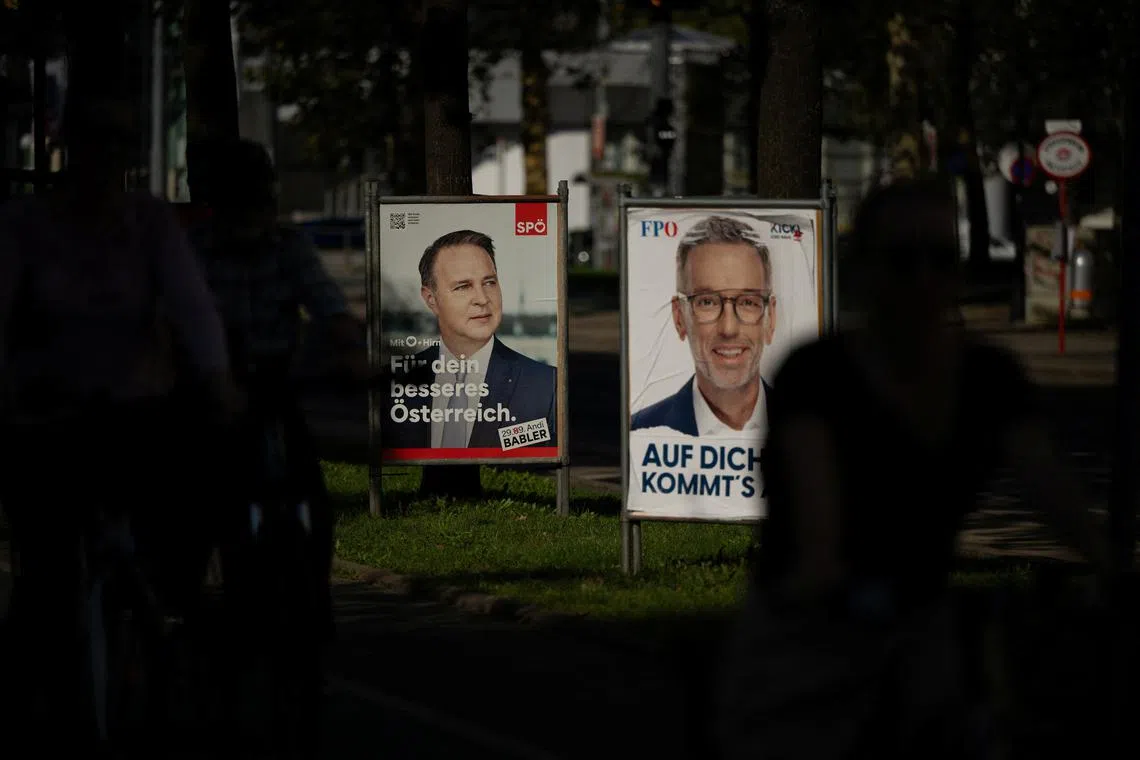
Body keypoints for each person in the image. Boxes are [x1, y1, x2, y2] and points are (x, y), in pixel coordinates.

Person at [716, 178, 1117, 760]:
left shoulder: (989, 377)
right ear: (866, 270)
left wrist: (1103, 563)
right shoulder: (820, 374)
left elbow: (1052, 491)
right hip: (808, 634)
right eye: (903, 261)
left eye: (941, 259)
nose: (925, 279)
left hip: (922, 625)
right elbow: (817, 529)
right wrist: (843, 589)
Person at [0, 87, 237, 746]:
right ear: (67, 146)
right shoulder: (24, 225)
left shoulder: (149, 222)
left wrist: (217, 382)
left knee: (179, 523)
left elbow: (192, 309)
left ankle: (169, 630)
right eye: (96, 140)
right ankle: (25, 698)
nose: (109, 157)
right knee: (46, 574)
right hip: (43, 418)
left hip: (134, 411)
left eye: (120, 144)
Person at [384, 230, 557, 450]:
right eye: (463, 287)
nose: (483, 299)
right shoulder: (393, 382)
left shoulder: (546, 386)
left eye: (489, 283)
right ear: (431, 299)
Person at [631, 216, 775, 437]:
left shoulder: (810, 431)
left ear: (770, 318)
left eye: (748, 302)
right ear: (680, 318)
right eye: (707, 301)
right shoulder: (639, 432)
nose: (728, 328)